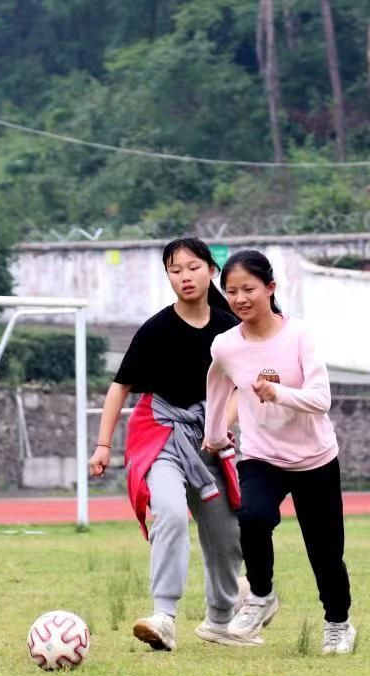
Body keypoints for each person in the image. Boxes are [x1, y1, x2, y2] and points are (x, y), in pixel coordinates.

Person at [88, 237, 252, 651]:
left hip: (209, 438)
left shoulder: (228, 328)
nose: (185, 276)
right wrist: (103, 446)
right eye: (175, 270)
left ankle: (220, 620)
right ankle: (164, 616)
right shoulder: (156, 329)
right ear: (168, 277)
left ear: (211, 271)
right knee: (171, 514)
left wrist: (219, 428)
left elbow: (240, 388)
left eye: (193, 267)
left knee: (225, 533)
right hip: (160, 433)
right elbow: (119, 388)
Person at [204, 250, 357, 655]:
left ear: (270, 289)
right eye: (231, 291)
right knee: (253, 517)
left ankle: (338, 623)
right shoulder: (226, 346)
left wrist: (279, 393)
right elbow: (217, 385)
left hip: (315, 459)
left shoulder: (298, 336)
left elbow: (322, 399)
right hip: (261, 455)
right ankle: (261, 595)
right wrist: (215, 432)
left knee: (325, 552)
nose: (240, 298)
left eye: (248, 289)